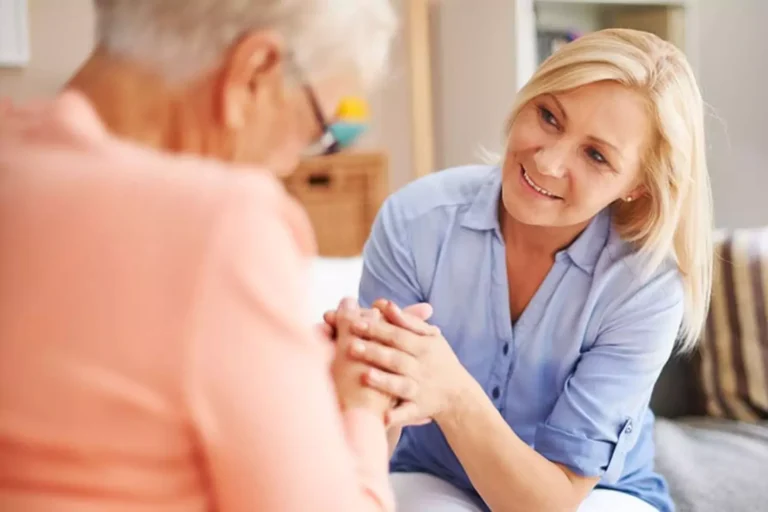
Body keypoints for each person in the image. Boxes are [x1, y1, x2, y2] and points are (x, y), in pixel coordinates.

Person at [0, 1, 414, 511]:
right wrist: (363, 410)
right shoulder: (223, 224)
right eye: (315, 133)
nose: (288, 166)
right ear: (256, 70)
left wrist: (286, 362)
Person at [329, 28, 712, 512]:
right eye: (549, 117)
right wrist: (355, 380)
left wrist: (452, 392)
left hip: (591, 498)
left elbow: (551, 502)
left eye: (596, 155)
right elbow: (370, 430)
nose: (548, 162)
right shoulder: (415, 221)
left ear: (638, 185)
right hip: (433, 475)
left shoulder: (644, 285)